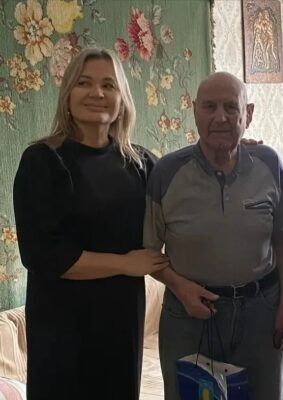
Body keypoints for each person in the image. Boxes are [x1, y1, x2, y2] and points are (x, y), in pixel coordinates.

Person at [13, 48, 169, 400]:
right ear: (68, 96)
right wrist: (126, 264)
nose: (97, 93)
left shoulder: (141, 163)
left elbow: (189, 191)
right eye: (84, 83)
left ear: (122, 100)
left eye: (108, 85)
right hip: (60, 330)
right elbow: (44, 256)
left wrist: (236, 151)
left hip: (122, 325)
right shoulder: (43, 161)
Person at [144, 71, 283, 400]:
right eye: (210, 106)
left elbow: (282, 238)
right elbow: (149, 254)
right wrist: (179, 286)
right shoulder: (166, 173)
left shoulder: (268, 162)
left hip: (261, 313)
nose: (220, 117)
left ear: (248, 113)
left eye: (231, 107)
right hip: (189, 316)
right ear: (195, 110)